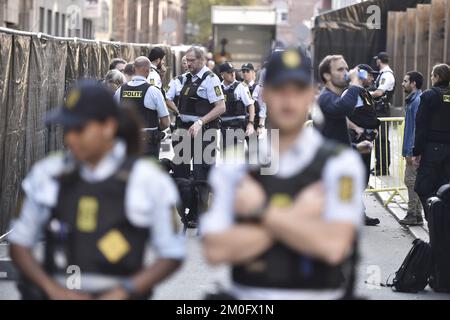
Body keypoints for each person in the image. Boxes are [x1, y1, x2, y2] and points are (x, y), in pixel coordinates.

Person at [201, 48, 365, 300]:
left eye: (297, 90)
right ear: (265, 95)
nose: (289, 100)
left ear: (311, 95)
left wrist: (259, 212)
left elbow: (334, 247)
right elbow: (217, 249)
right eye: (280, 90)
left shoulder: (340, 163)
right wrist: (302, 217)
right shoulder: (235, 164)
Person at [9, 82, 185, 300]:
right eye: (67, 129)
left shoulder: (147, 179)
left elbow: (172, 253)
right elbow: (19, 242)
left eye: (79, 129)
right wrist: (53, 290)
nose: (70, 138)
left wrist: (123, 292)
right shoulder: (47, 173)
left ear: (108, 127)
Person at [172, 47, 226, 227]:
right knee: (181, 173)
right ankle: (187, 212)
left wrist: (201, 122)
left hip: (205, 131)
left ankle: (200, 215)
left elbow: (220, 107)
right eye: (186, 60)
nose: (187, 63)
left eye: (191, 60)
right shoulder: (185, 79)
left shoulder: (211, 79)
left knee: (201, 175)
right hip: (185, 131)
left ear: (201, 60)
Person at [345, 64, 381, 226]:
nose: (373, 78)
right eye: (370, 75)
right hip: (356, 141)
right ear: (361, 75)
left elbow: (368, 115)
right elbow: (342, 115)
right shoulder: (351, 93)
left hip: (366, 141)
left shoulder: (364, 93)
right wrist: (357, 128)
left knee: (363, 176)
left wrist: (374, 130)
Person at [114, 56, 170, 159]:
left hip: (127, 143)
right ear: (148, 70)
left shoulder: (120, 90)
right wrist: (156, 131)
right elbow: (166, 123)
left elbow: (113, 117)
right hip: (148, 145)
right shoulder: (154, 91)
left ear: (134, 68)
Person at [413, 63, 450, 219]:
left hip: (432, 148)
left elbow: (421, 125)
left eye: (432, 75)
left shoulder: (429, 96)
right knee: (445, 188)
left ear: (437, 77)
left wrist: (417, 151)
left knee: (423, 187)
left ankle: (434, 221)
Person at [317, 55, 364, 146]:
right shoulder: (325, 97)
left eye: (346, 69)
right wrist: (354, 83)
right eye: (340, 69)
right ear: (327, 76)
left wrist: (356, 147)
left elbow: (334, 138)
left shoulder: (334, 97)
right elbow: (345, 107)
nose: (346, 73)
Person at [399, 71, 424, 226]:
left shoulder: (417, 101)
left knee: (410, 181)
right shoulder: (414, 100)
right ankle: (418, 215)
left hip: (413, 150)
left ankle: (412, 215)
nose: (402, 83)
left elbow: (417, 128)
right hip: (414, 149)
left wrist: (411, 151)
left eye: (405, 80)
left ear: (413, 83)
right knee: (414, 181)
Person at [219, 62, 255, 152]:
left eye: (233, 72)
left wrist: (250, 123)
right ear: (222, 74)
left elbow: (250, 105)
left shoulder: (241, 86)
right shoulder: (218, 88)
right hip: (223, 127)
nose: (232, 74)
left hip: (237, 127)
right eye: (229, 72)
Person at [371, 52, 396, 176]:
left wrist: (364, 94)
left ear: (379, 60)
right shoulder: (383, 74)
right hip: (379, 110)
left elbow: (379, 93)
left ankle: (384, 168)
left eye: (377, 60)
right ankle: (379, 165)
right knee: (378, 139)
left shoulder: (387, 75)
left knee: (382, 140)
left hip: (382, 111)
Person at [241, 63, 266, 133]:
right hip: (242, 122)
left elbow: (263, 107)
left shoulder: (258, 88)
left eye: (247, 71)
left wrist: (261, 124)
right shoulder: (239, 87)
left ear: (253, 72)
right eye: (243, 72)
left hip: (256, 121)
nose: (245, 73)